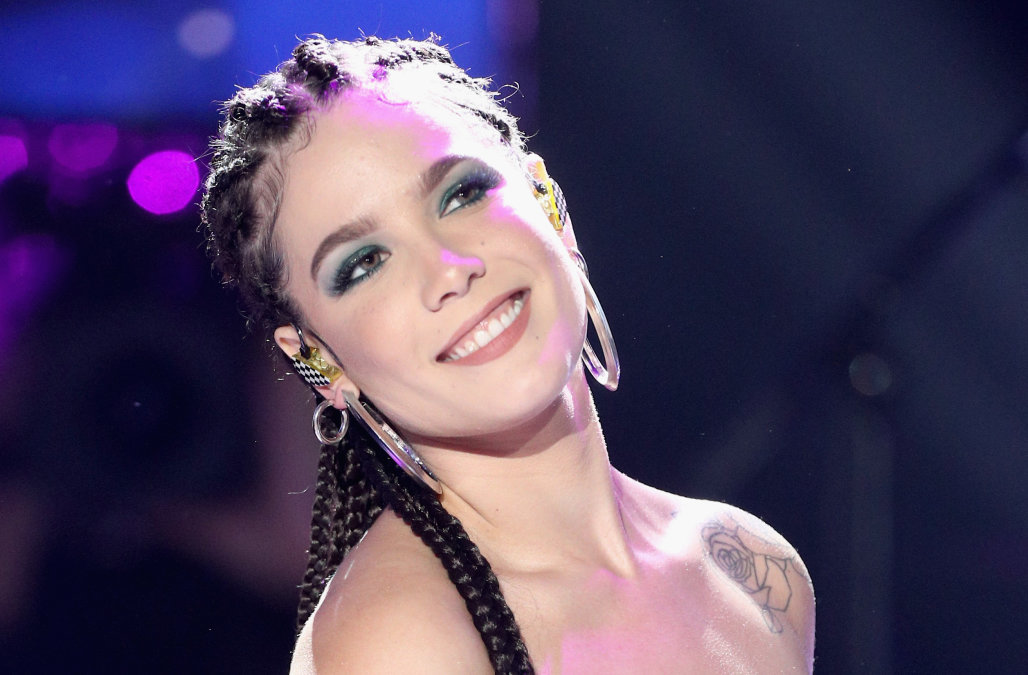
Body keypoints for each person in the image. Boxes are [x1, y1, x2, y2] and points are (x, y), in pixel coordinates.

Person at [201, 35, 815, 674]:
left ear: (549, 204)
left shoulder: (751, 566)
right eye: (365, 263)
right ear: (320, 362)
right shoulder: (396, 642)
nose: (449, 269)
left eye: (461, 195)